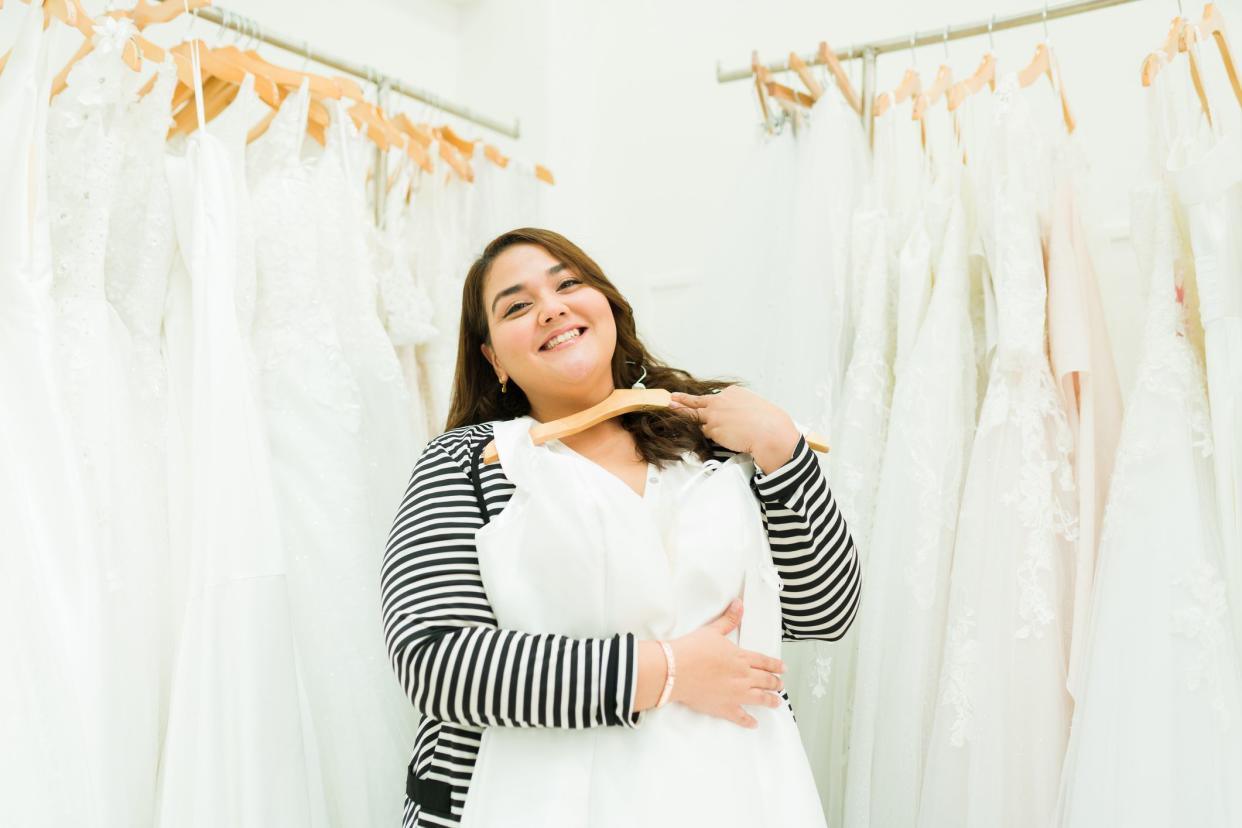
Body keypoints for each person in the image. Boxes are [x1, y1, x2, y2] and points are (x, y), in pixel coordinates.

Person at [381, 228, 861, 828]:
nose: (550, 307)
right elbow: (438, 663)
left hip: (737, 789)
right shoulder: (466, 463)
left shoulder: (714, 436)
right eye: (517, 306)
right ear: (493, 358)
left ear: (607, 305)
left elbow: (826, 612)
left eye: (568, 284)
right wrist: (669, 673)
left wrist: (782, 450)